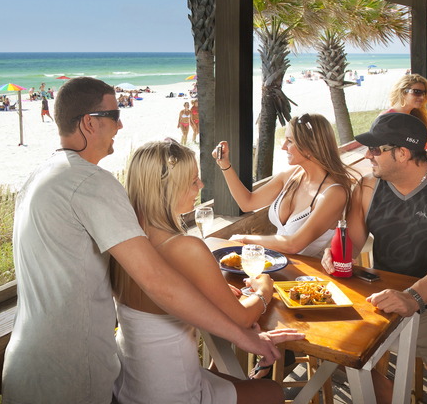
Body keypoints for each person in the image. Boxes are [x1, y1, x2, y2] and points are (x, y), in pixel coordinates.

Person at [1, 77, 288, 404]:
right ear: (89, 123)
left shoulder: (42, 176)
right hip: (68, 370)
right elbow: (156, 281)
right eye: (114, 116)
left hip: (30, 360)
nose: (120, 125)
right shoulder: (91, 182)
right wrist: (245, 332)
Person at [111, 140, 297, 404]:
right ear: (167, 190)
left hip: (128, 384)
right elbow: (242, 319)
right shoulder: (186, 248)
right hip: (171, 393)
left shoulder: (124, 243)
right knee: (272, 392)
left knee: (233, 378)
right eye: (193, 181)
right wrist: (265, 290)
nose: (200, 186)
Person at [322, 113, 427, 404]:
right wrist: (335, 253)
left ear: (402, 153)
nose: (368, 156)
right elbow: (353, 241)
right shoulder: (367, 187)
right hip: (380, 303)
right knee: (334, 349)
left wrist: (414, 297)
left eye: (375, 149)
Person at [219, 113, 355, 258]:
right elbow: (247, 203)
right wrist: (224, 164)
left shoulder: (333, 193)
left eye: (289, 141)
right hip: (275, 264)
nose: (283, 147)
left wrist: (245, 239)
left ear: (310, 146)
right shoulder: (291, 175)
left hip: (308, 271)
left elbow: (293, 245)